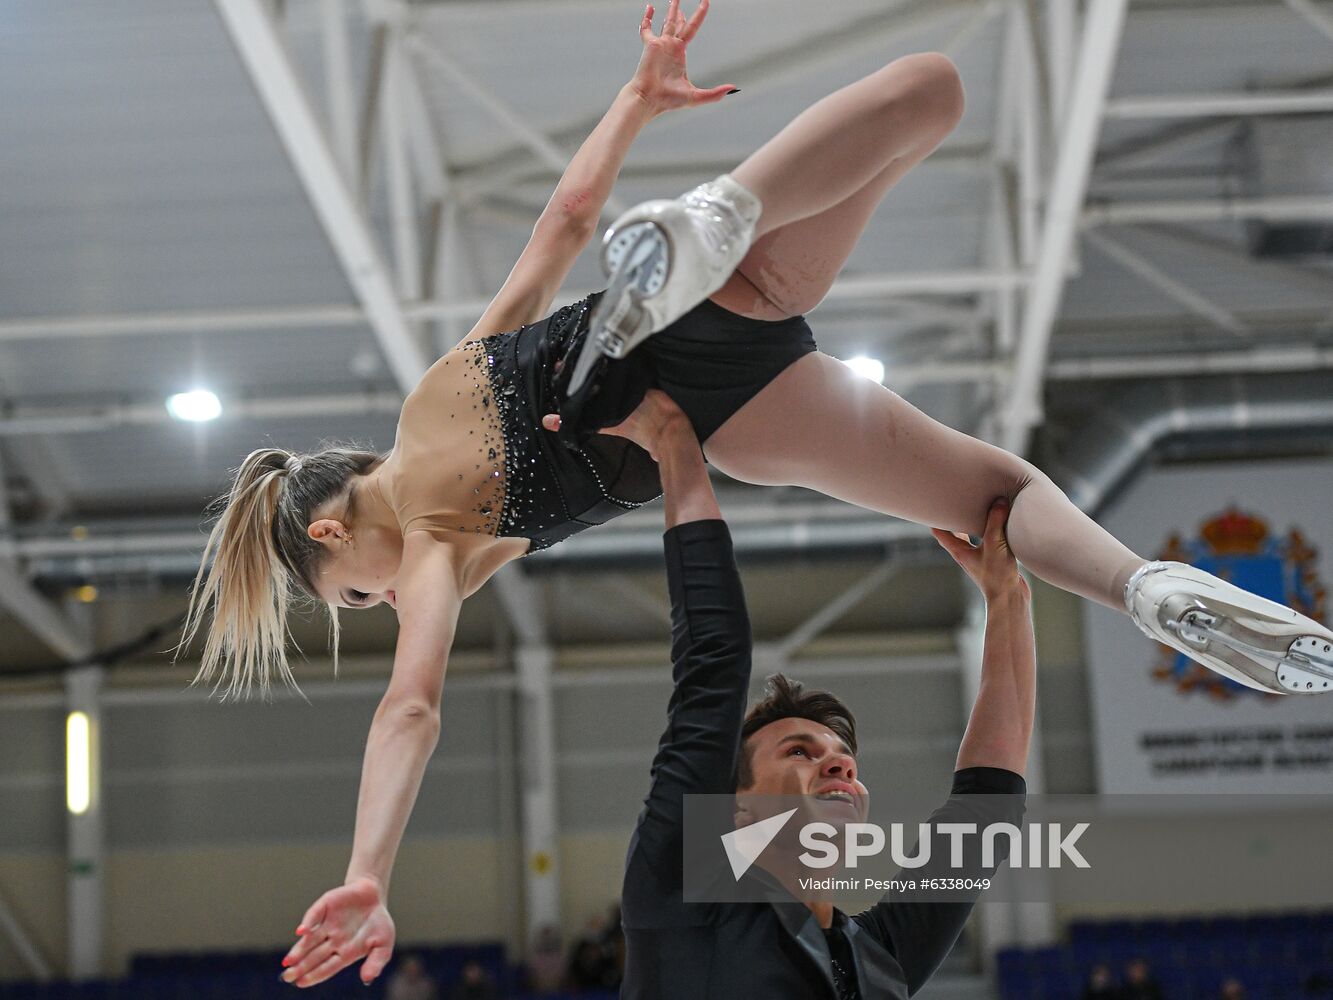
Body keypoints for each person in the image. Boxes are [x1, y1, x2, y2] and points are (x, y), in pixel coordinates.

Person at [191, 0, 1329, 989]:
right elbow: (564, 225)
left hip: (699, 414)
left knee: (989, 490)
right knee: (927, 96)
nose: (378, 608)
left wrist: (366, 873)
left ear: (335, 530)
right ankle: (1137, 578)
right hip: (705, 331)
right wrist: (636, 97)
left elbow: (411, 712)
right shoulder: (439, 388)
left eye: (351, 596)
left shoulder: (439, 545)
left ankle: (1130, 580)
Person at [606, 391, 1030, 998]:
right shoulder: (686, 901)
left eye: (838, 756)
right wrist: (674, 442)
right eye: (799, 752)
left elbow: (990, 800)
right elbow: (713, 665)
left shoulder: (879, 956)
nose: (841, 762)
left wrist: (1008, 599)